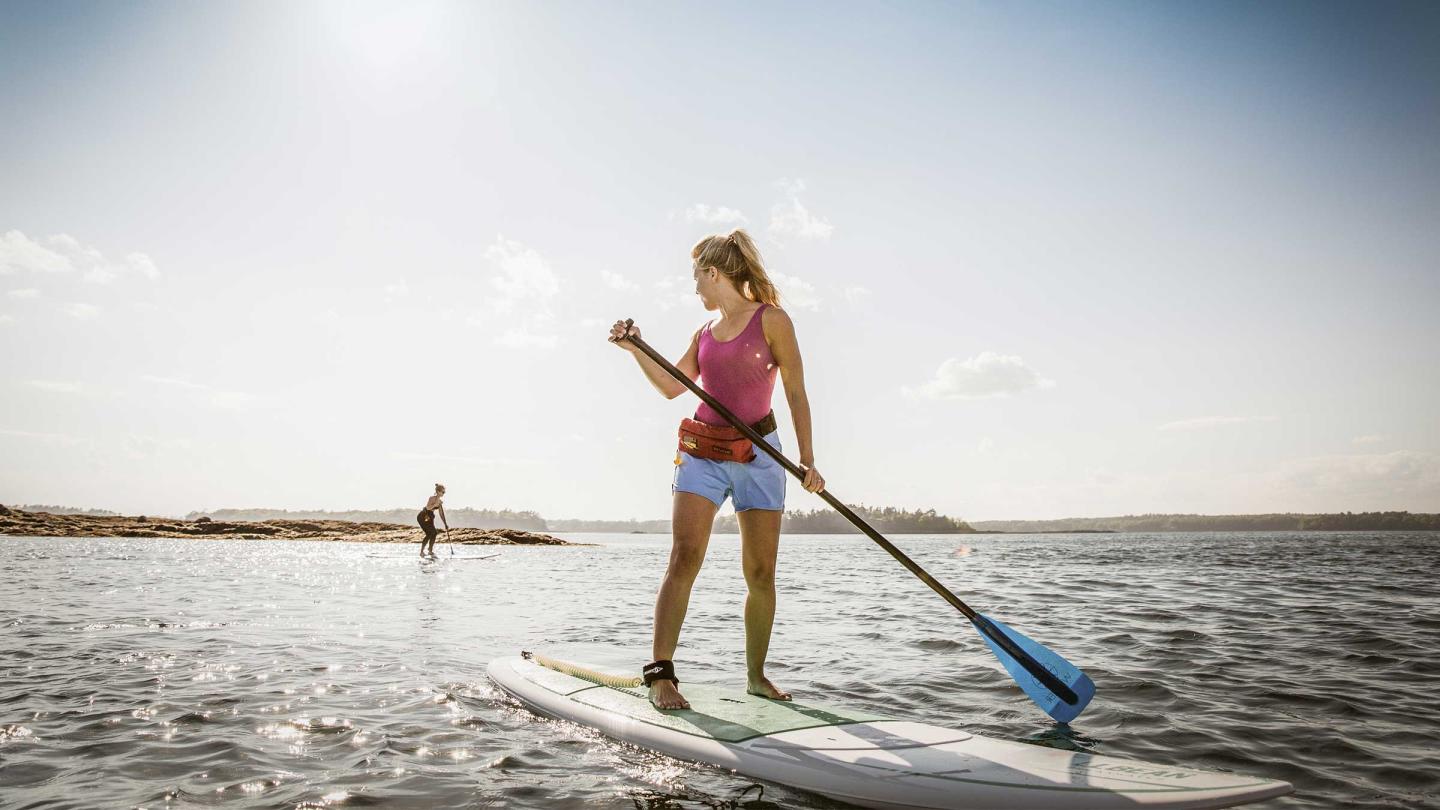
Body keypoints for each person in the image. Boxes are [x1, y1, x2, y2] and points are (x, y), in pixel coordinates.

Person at [609, 229, 825, 710]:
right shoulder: (703, 335)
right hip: (702, 455)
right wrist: (637, 349)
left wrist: (807, 460)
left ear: (713, 273)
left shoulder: (772, 321)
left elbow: (795, 393)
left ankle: (755, 676)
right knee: (684, 557)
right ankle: (661, 674)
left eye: (696, 279)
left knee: (761, 572)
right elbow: (670, 386)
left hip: (760, 454)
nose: (695, 290)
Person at [417, 483, 448, 557]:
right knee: (430, 533)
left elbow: (441, 514)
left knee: (434, 533)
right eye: (442, 492)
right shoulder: (431, 498)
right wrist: (435, 504)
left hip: (430, 517)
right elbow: (428, 508)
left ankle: (430, 551)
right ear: (438, 491)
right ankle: (422, 552)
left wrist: (445, 524)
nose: (443, 493)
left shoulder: (440, 502)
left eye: (444, 492)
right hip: (423, 516)